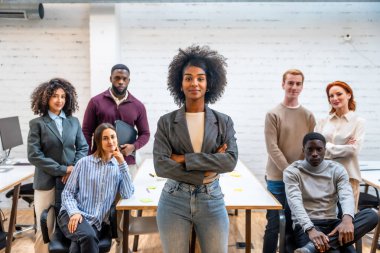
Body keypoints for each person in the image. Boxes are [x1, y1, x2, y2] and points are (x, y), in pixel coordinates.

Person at [153, 45, 238, 253]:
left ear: (209, 84)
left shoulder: (223, 121)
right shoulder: (166, 122)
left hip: (212, 199)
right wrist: (207, 169)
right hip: (174, 199)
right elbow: (161, 166)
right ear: (180, 84)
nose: (194, 83)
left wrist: (184, 159)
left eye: (200, 78)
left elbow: (230, 160)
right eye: (188, 78)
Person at [284, 132, 377, 253]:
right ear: (303, 150)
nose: (314, 154)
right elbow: (295, 202)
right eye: (310, 149)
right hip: (306, 226)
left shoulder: (337, 169)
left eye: (319, 149)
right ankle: (324, 244)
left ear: (325, 150)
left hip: (334, 224)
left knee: (372, 215)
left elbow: (346, 195)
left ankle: (310, 248)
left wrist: (347, 220)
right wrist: (310, 229)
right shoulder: (292, 171)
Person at [27, 78, 88, 253]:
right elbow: (34, 155)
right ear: (46, 98)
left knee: (68, 227)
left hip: (70, 181)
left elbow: (83, 147)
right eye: (55, 96)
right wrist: (63, 169)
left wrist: (73, 169)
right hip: (46, 182)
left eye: (63, 96)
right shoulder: (37, 124)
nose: (59, 100)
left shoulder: (73, 121)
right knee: (45, 227)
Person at [58, 123, 134, 252]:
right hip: (71, 214)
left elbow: (127, 193)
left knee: (77, 247)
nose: (110, 141)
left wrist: (122, 163)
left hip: (95, 221)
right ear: (98, 141)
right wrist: (74, 213)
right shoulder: (84, 163)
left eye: (113, 137)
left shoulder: (118, 167)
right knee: (88, 236)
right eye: (105, 138)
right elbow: (67, 193)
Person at [263, 69, 316, 253]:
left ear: (302, 87)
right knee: (274, 224)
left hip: (299, 179)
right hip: (277, 178)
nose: (294, 87)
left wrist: (300, 172)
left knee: (296, 224)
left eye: (298, 83)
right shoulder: (273, 114)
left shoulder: (308, 116)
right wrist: (289, 170)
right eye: (290, 83)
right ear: (283, 84)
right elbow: (272, 147)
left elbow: (310, 149)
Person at [82, 63, 150, 179]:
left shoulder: (138, 106)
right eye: (117, 78)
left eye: (124, 79)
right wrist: (88, 157)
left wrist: (133, 147)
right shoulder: (95, 102)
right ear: (110, 79)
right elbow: (86, 132)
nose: (121, 82)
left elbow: (145, 133)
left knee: (126, 196)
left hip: (127, 162)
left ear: (128, 80)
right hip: (100, 161)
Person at [315, 81, 365, 210]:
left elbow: (353, 151)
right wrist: (344, 147)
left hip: (348, 178)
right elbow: (314, 150)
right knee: (324, 218)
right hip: (324, 177)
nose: (335, 98)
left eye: (339, 94)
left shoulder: (358, 122)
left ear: (349, 95)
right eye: (331, 96)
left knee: (347, 220)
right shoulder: (323, 121)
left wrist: (326, 146)